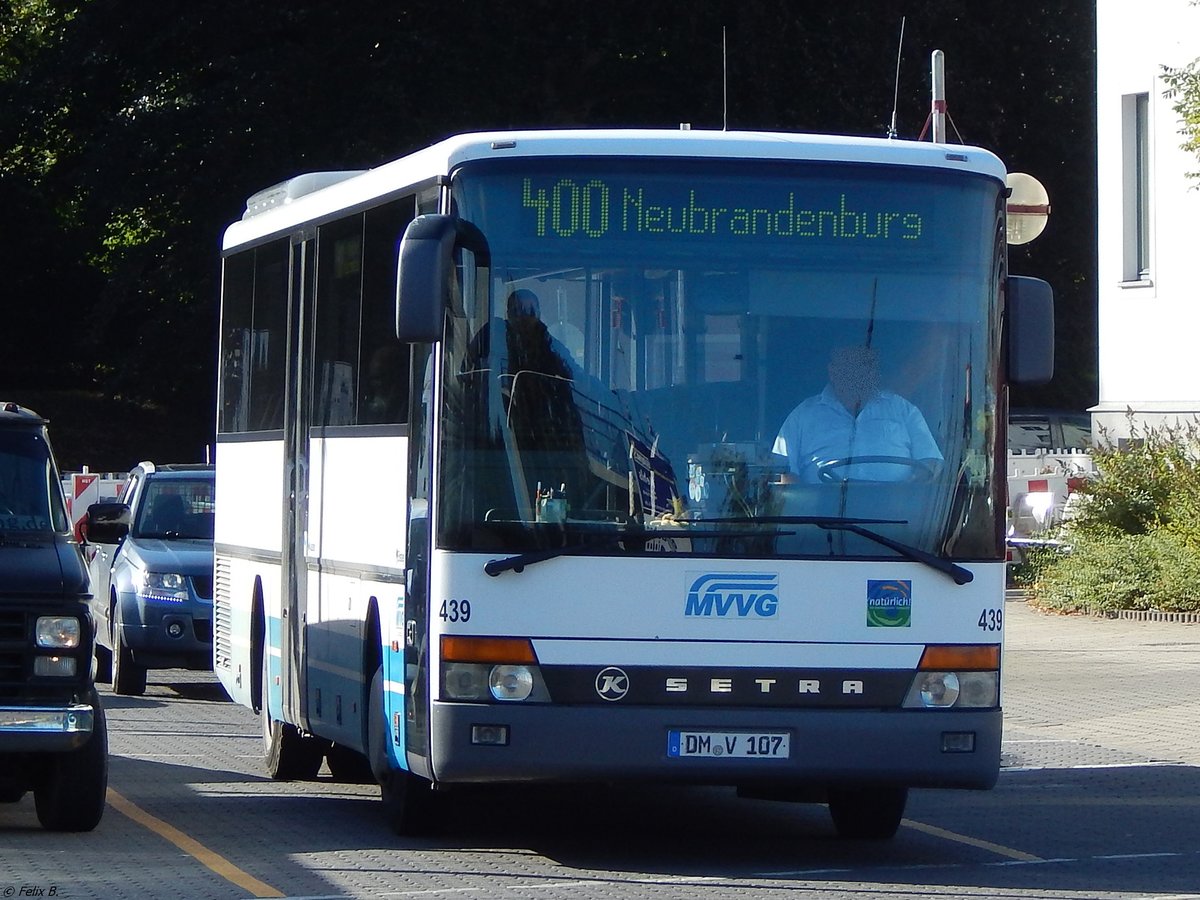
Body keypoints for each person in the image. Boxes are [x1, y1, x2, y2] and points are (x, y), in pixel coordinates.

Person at [772, 345, 942, 483]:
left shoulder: (903, 410)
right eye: (849, 367)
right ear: (832, 371)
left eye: (863, 367)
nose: (857, 374)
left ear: (873, 372)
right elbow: (784, 473)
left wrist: (908, 491)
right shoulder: (803, 415)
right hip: (821, 519)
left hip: (900, 520)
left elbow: (930, 462)